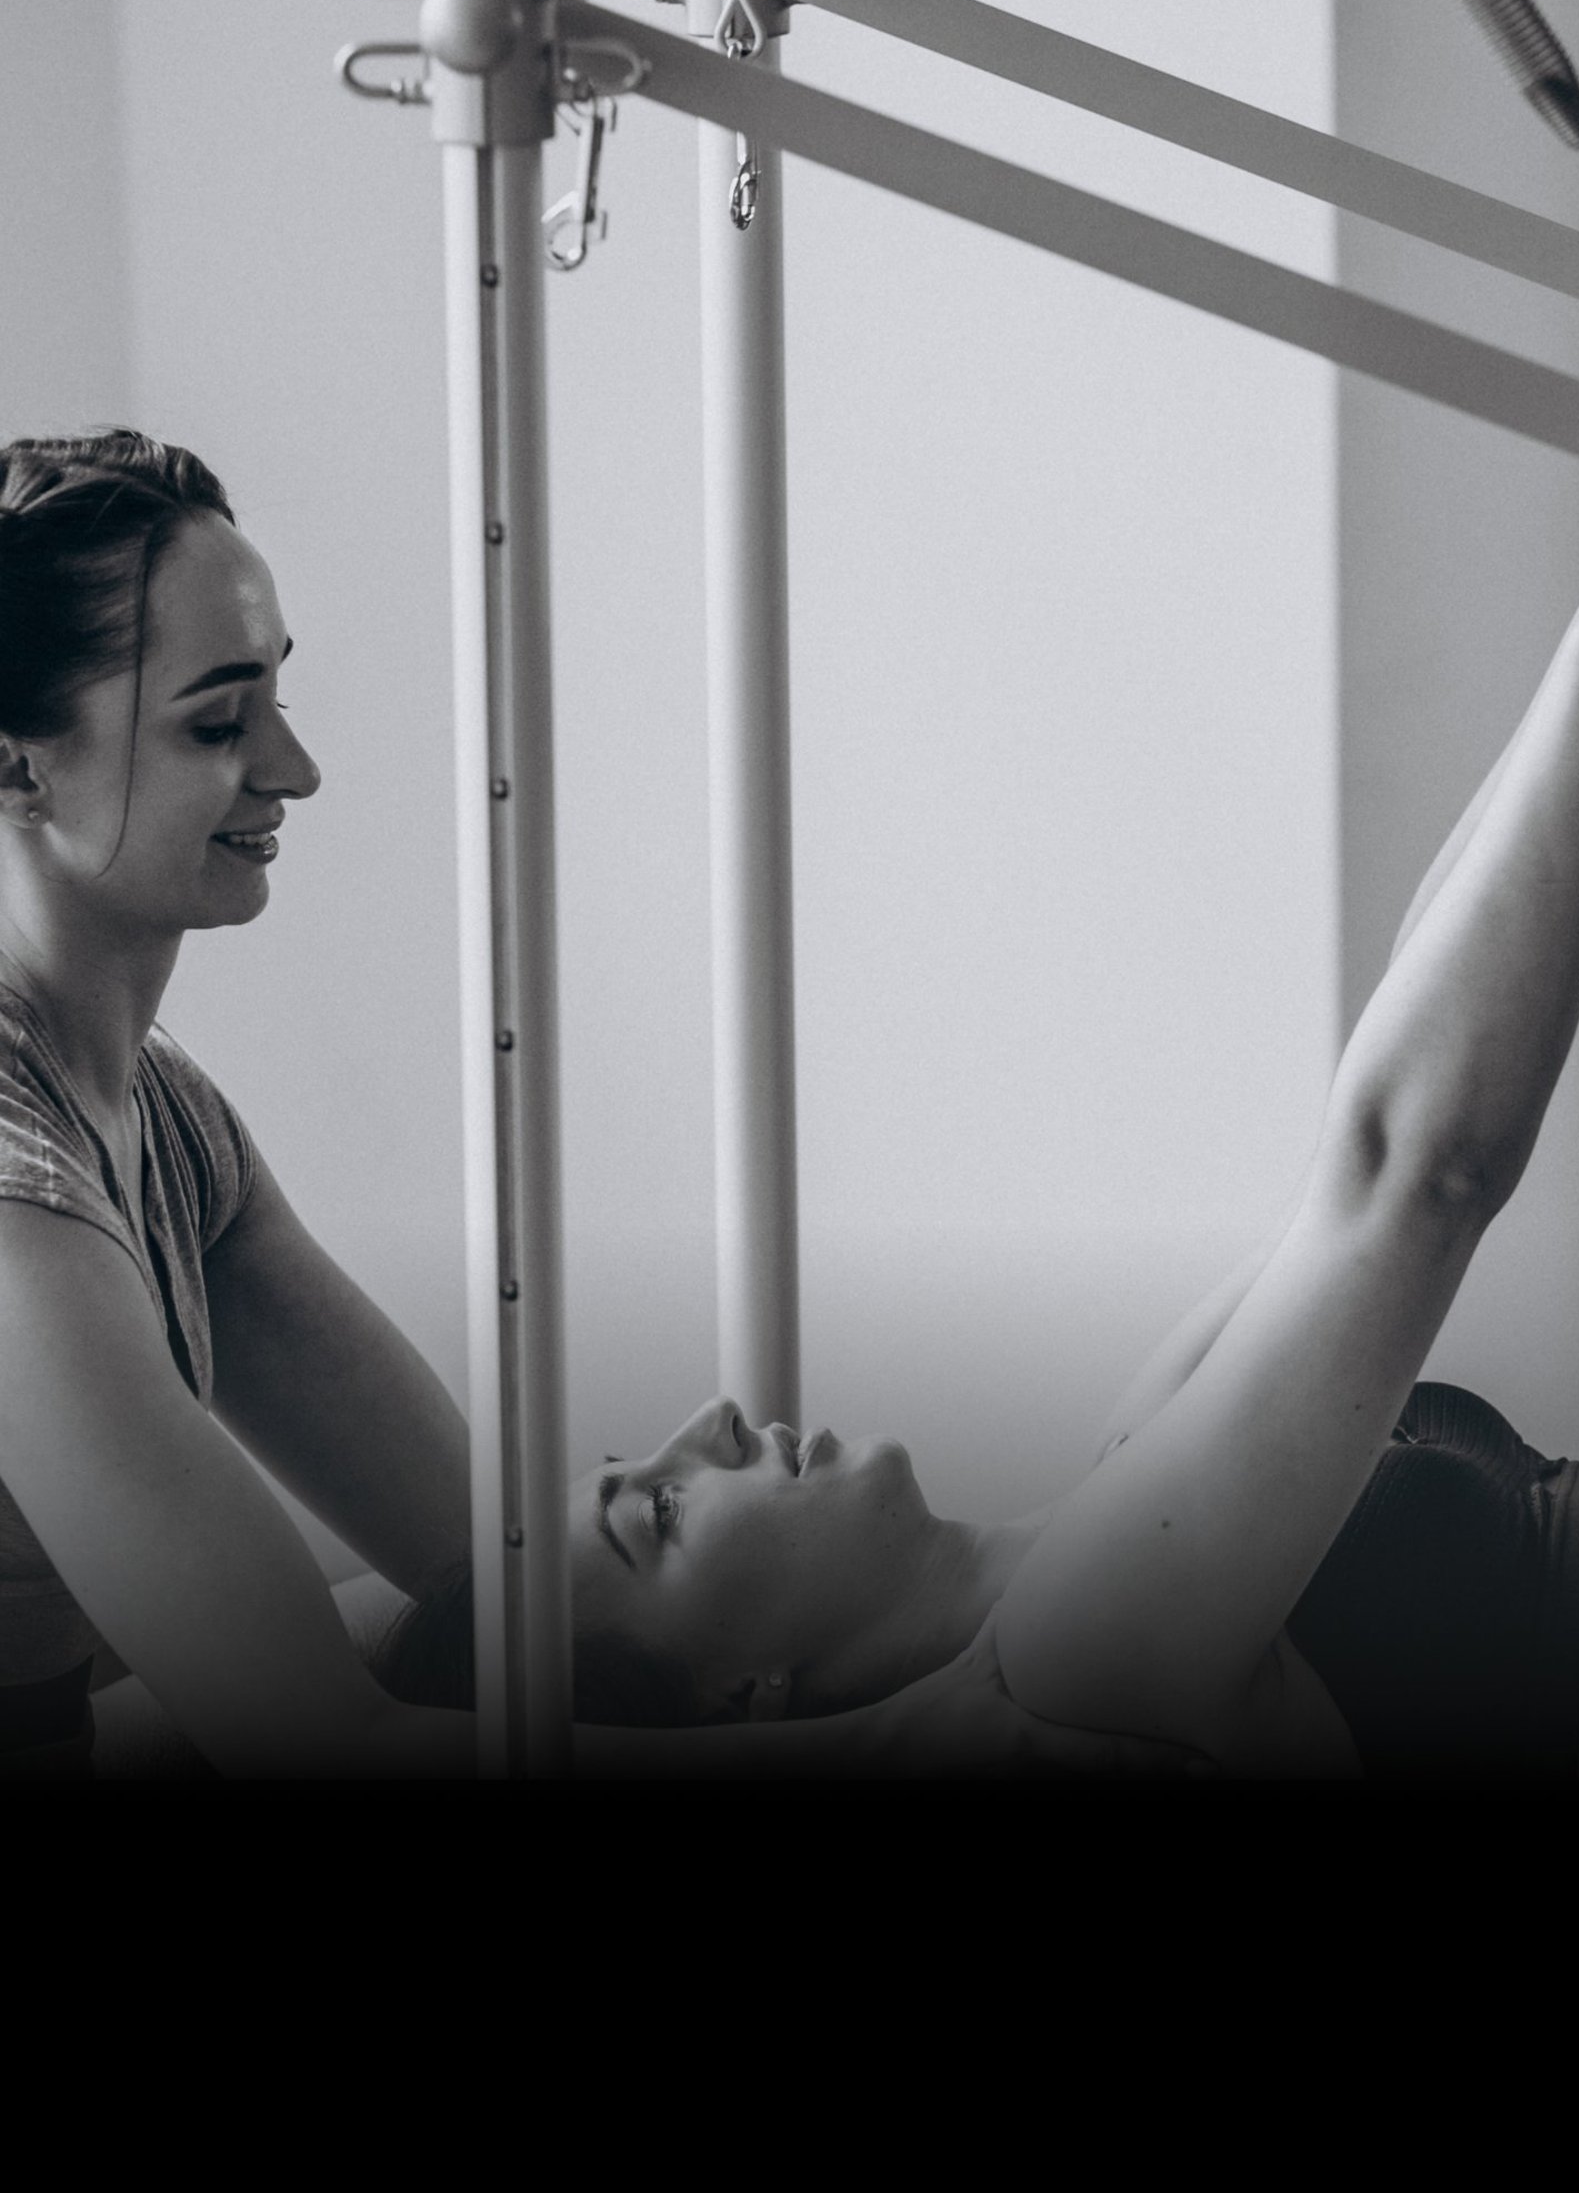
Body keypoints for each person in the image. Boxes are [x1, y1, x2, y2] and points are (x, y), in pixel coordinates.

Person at [370, 285, 1579, 1781]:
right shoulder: (1082, 1677)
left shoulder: (1119, 1487)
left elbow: (1379, 1082)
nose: (700, 1423)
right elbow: (1418, 1171)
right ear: (746, 1698)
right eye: (657, 1514)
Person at [0, 431, 1195, 1784]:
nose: (293, 769)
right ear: (23, 768)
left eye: (279, 698)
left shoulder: (163, 1121)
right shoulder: (14, 1202)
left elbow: (495, 1581)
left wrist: (1060, 1557)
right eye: (219, 723)